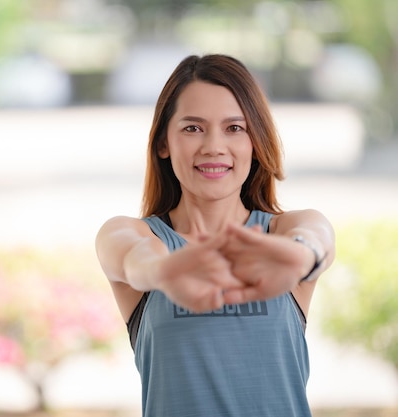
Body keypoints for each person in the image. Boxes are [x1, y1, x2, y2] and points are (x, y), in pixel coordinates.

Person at [95, 54, 335, 417]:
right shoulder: (134, 235)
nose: (213, 146)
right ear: (164, 143)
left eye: (234, 128)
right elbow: (133, 259)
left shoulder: (283, 234)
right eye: (193, 128)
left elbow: (316, 239)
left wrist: (301, 257)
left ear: (255, 141)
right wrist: (167, 271)